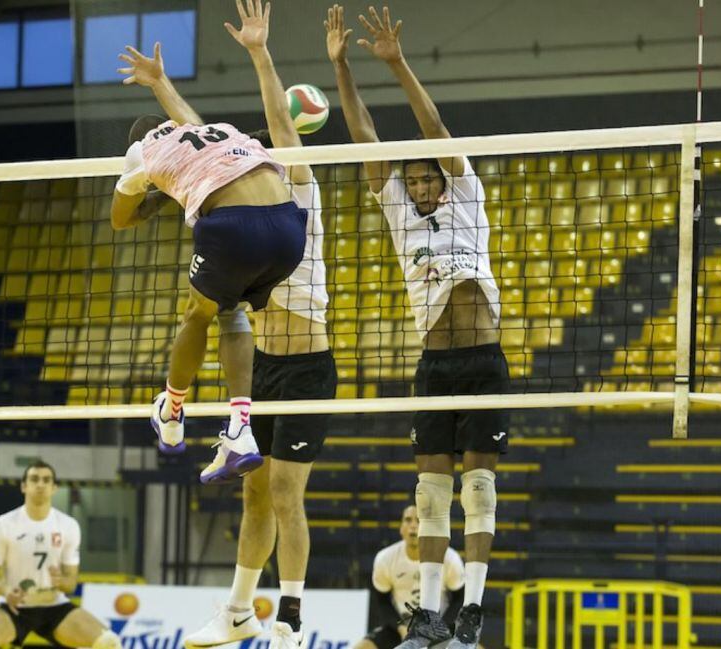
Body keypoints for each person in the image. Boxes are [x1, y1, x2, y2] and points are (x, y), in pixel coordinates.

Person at [326, 5, 509, 649]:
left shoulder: (467, 196)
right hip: (435, 365)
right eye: (413, 178)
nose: (421, 184)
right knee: (431, 495)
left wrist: (397, 63)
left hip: (483, 360)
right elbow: (365, 138)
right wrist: (342, 67)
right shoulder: (400, 213)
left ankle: (472, 611)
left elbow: (433, 126)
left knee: (478, 488)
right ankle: (429, 615)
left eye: (428, 175)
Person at [184, 2, 336, 648]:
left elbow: (279, 123)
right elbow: (198, 145)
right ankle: (239, 610)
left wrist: (259, 52)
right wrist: (163, 90)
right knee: (253, 496)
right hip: (264, 370)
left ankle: (291, 619)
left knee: (284, 492)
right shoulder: (246, 211)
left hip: (308, 369)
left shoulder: (298, 189)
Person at [112, 37, 308, 485]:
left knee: (195, 314)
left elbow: (120, 220)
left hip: (236, 230)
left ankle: (171, 411)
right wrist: (160, 82)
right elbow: (189, 119)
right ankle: (240, 429)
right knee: (229, 308)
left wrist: (150, 190)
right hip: (289, 229)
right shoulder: (211, 132)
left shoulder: (143, 151)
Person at [0, 461, 119, 649]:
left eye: (46, 480)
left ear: (54, 488)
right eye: (34, 479)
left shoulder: (68, 526)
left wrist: (61, 581)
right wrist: (5, 590)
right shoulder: (5, 524)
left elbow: (70, 583)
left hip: (54, 605)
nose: (40, 485)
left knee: (109, 642)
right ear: (24, 486)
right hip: (15, 606)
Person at [357, 506, 465, 649]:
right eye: (408, 520)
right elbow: (382, 601)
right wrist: (401, 628)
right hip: (400, 629)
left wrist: (441, 629)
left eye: (419, 520)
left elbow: (460, 599)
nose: (413, 525)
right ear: (401, 528)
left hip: (440, 628)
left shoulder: (448, 558)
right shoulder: (385, 559)